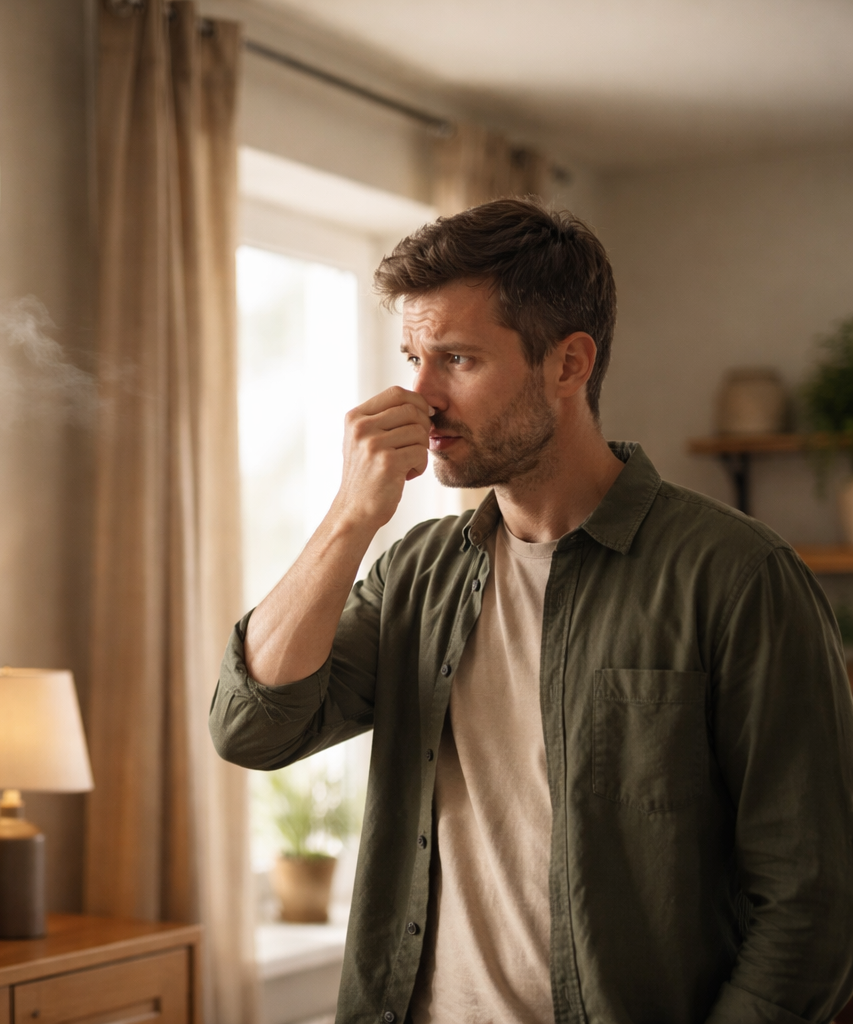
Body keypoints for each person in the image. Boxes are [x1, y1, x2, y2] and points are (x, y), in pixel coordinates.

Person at [210, 197, 853, 1024]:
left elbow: (812, 901)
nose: (422, 397)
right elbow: (252, 728)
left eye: (457, 359)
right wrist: (350, 516)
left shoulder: (737, 576)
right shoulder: (417, 572)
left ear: (568, 365)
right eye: (412, 356)